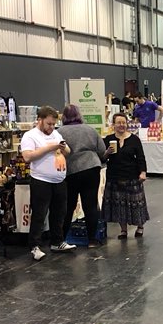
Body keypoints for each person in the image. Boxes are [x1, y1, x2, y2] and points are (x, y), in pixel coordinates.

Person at [20, 105, 75, 261]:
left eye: (53, 124)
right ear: (40, 120)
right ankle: (34, 246)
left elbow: (69, 151)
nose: (51, 127)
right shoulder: (30, 136)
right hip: (41, 181)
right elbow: (28, 157)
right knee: (39, 214)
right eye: (49, 124)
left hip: (59, 180)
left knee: (59, 213)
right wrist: (50, 147)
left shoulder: (56, 134)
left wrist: (62, 148)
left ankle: (57, 241)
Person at [59, 103, 107, 248]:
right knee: (90, 204)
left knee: (68, 206)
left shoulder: (60, 132)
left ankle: (62, 239)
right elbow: (102, 150)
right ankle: (92, 240)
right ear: (79, 115)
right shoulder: (90, 129)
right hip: (91, 168)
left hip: (70, 171)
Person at [103, 113, 149, 238]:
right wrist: (107, 153)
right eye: (118, 122)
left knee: (136, 204)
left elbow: (141, 158)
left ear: (127, 124)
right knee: (119, 205)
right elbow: (101, 158)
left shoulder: (134, 139)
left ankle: (140, 227)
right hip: (114, 176)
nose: (121, 125)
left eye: (123, 122)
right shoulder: (108, 139)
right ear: (114, 125)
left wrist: (143, 172)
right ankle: (123, 230)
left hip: (132, 176)